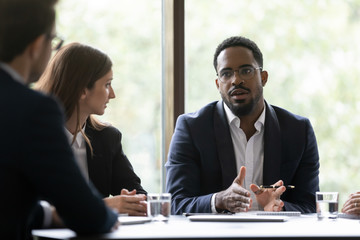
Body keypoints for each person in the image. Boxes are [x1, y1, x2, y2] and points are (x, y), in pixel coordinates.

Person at [0, 0, 118, 239]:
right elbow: (89, 216)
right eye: (53, 41)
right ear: (35, 45)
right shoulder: (33, 109)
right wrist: (110, 211)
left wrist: (45, 214)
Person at [165, 36, 320, 214]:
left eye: (246, 71)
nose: (236, 80)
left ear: (263, 77)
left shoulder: (298, 131)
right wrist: (219, 200)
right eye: (226, 73)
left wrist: (278, 207)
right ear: (218, 84)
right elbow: (175, 203)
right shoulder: (192, 128)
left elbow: (310, 205)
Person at [36, 42, 147, 216]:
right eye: (107, 84)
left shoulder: (108, 138)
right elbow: (29, 211)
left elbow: (140, 197)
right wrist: (104, 206)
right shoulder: (33, 137)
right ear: (82, 90)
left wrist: (129, 201)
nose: (112, 94)